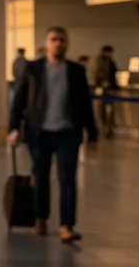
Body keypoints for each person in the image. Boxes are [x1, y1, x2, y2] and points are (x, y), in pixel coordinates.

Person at [9, 27, 97, 243]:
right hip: (39, 133)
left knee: (67, 179)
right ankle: (41, 218)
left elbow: (85, 103)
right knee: (41, 178)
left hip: (67, 132)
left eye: (61, 40)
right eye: (53, 40)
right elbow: (19, 100)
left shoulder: (76, 71)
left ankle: (67, 225)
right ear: (46, 44)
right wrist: (14, 127)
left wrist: (92, 132)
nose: (58, 43)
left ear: (66, 44)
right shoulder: (33, 69)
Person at [94, 45, 119, 137]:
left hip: (105, 88)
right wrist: (105, 85)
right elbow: (104, 74)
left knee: (104, 110)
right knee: (107, 110)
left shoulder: (100, 60)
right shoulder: (105, 61)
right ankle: (107, 128)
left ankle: (106, 128)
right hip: (107, 89)